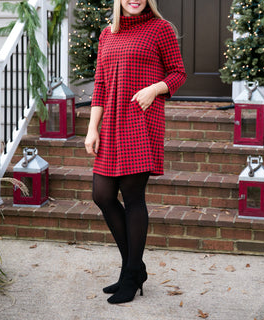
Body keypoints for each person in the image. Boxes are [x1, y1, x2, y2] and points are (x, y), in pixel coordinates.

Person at [84, 0, 186, 304]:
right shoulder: (108, 33)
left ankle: (130, 273)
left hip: (141, 121)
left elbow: (178, 73)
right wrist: (92, 128)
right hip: (111, 122)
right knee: (101, 194)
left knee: (133, 197)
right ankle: (134, 267)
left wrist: (155, 89)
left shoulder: (160, 29)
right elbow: (100, 83)